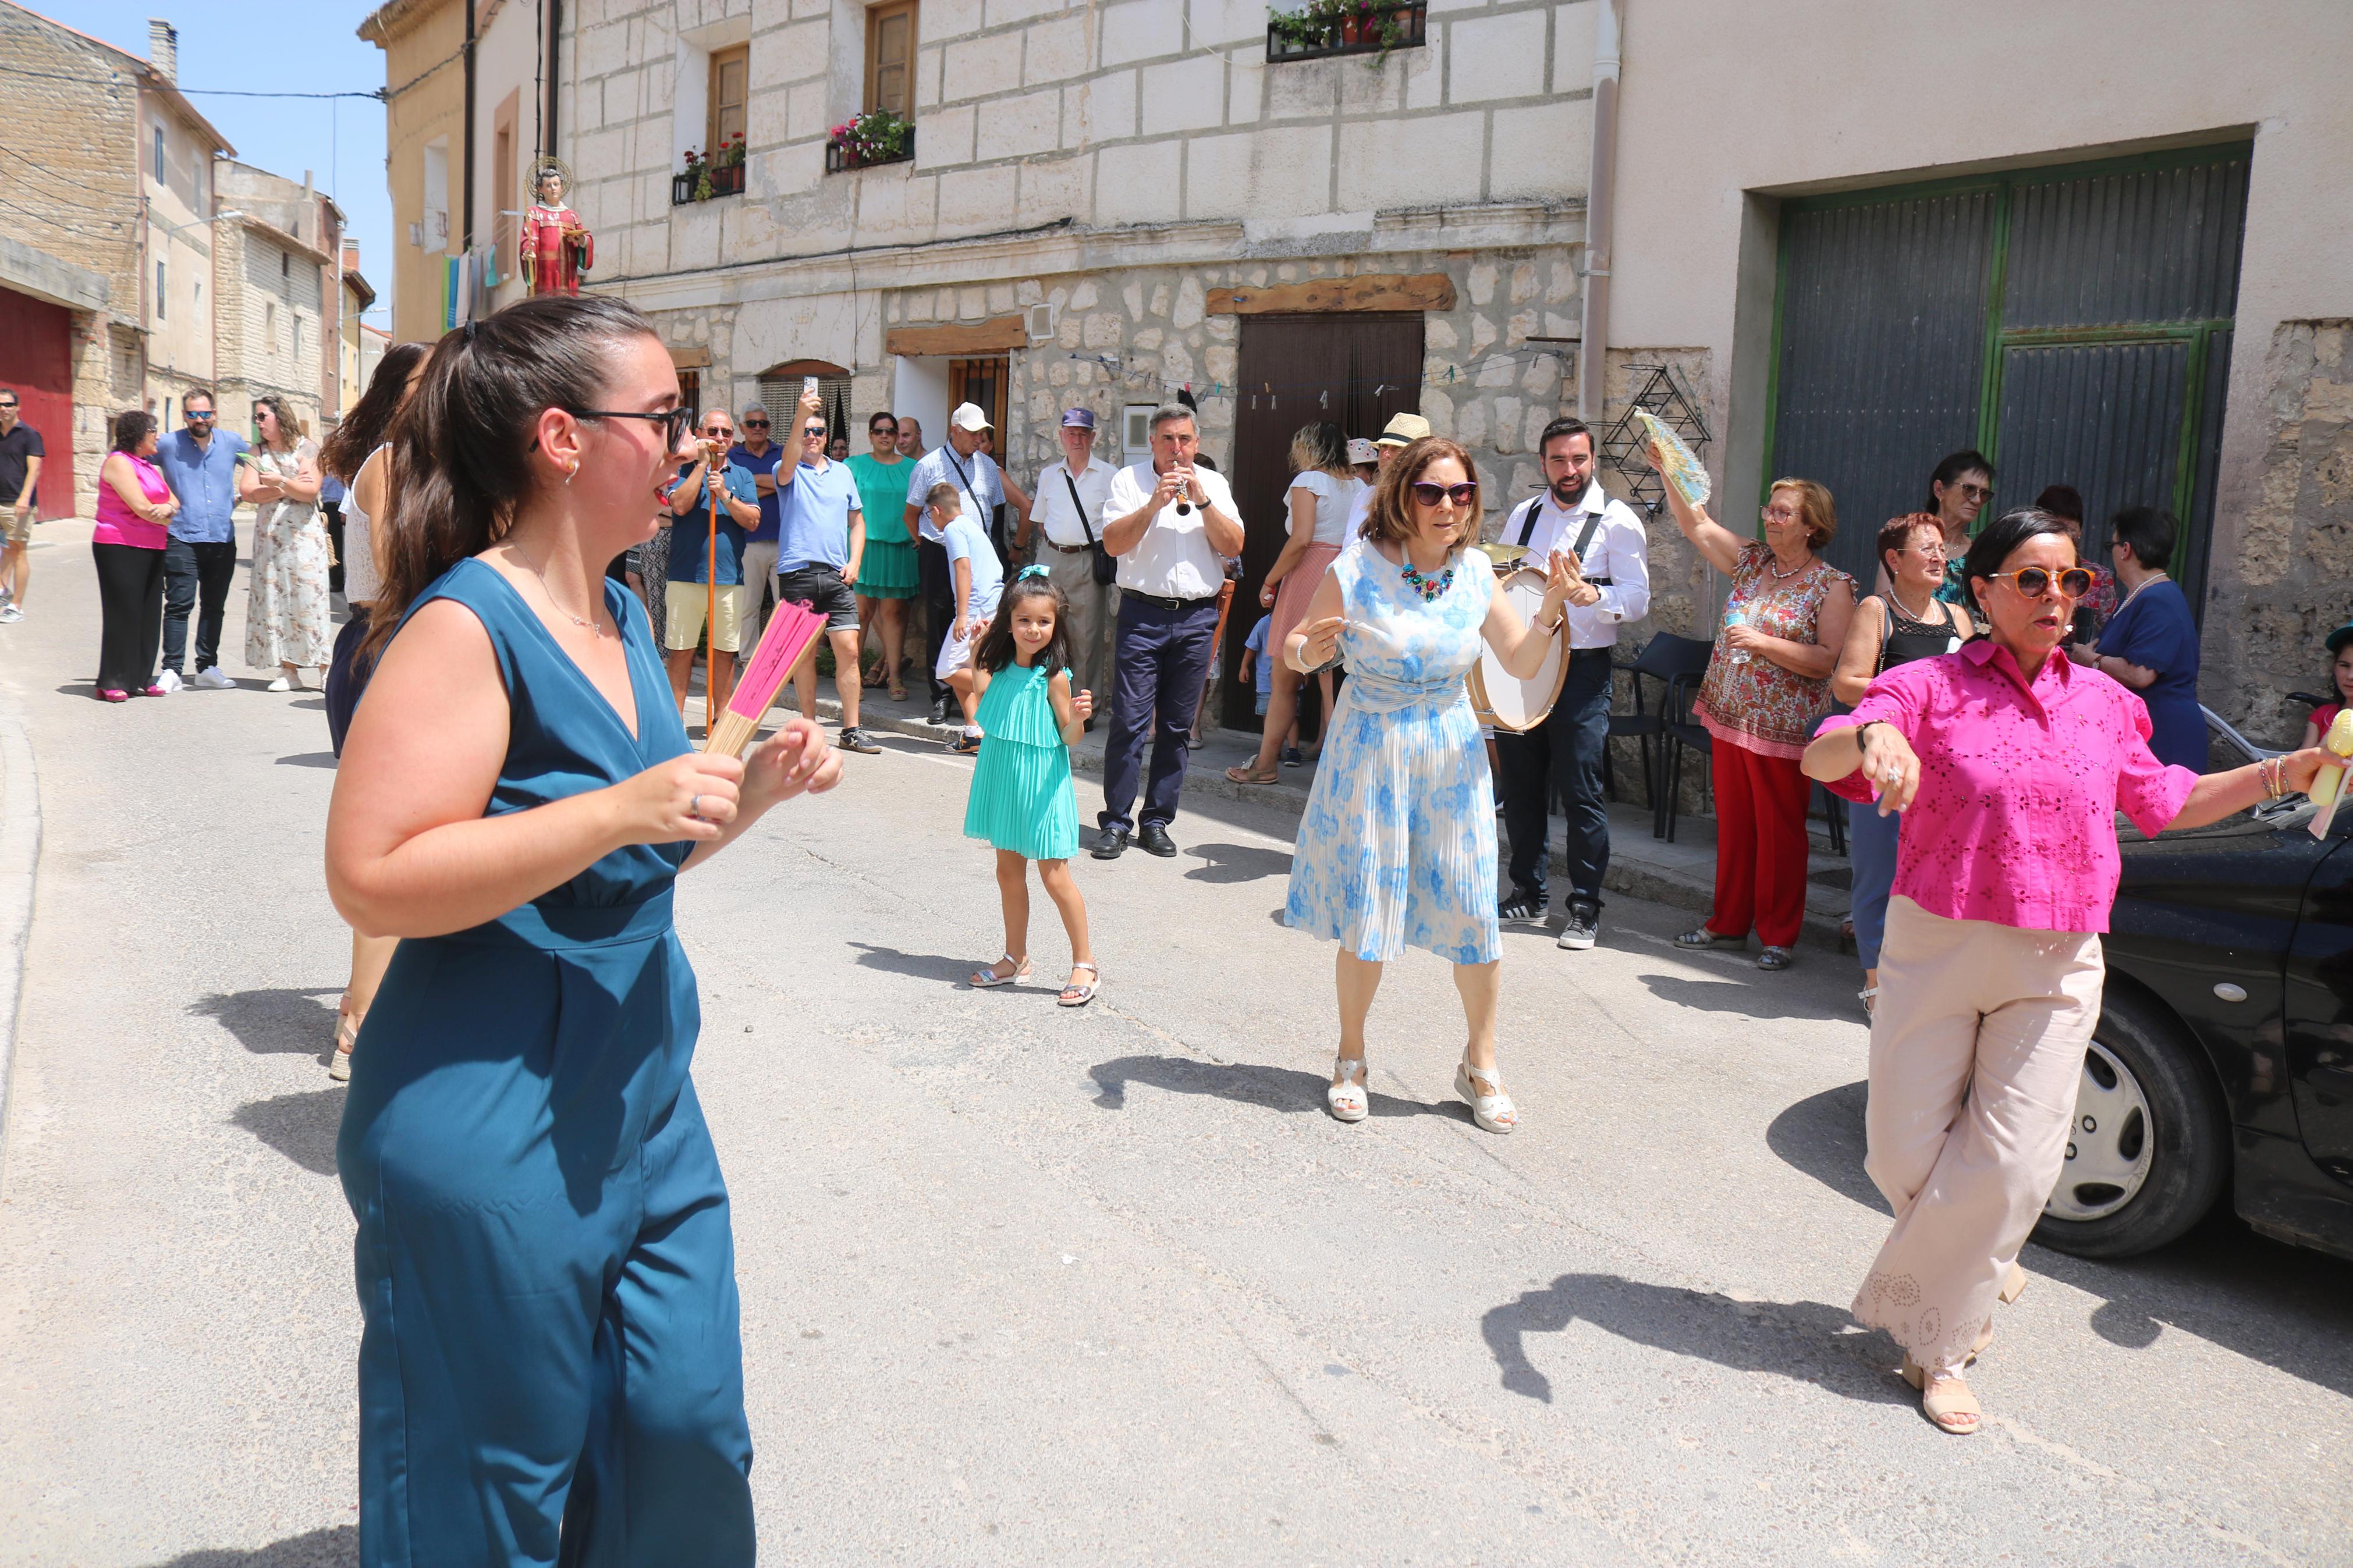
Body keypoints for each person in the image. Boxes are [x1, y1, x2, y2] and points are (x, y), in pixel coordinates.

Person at [326, 293, 841, 1561]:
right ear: (563, 439)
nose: (690, 444)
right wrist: (619, 809)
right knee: (490, 1487)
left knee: (685, 1435)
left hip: (639, 1094)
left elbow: (630, 855)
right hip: (491, 1113)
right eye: (664, 418)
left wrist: (746, 794)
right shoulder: (464, 625)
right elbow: (372, 876)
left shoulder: (614, 610)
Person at [1798, 506, 2327, 1435]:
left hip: (2056, 955)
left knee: (2009, 1165)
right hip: (1936, 938)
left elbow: (2167, 799)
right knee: (1896, 1151)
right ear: (1983, 590)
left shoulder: (2106, 704)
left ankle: (1941, 1347)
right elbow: (1824, 750)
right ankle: (1978, 1260)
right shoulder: (1923, 684)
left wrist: (2284, 771)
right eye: (2033, 579)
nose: (2057, 597)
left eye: (2072, 581)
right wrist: (1868, 738)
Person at [1284, 437, 1584, 1133]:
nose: (1448, 506)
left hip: (1450, 755)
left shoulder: (1478, 571)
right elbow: (1295, 645)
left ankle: (1479, 1062)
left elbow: (1517, 658)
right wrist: (1312, 649)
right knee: (1368, 910)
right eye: (1430, 493)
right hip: (1371, 751)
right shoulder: (1357, 568)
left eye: (1461, 493)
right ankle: (1350, 1058)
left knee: (1474, 913)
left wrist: (1550, 610)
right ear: (1401, 498)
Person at [1654, 458, 1856, 970]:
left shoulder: (1830, 585)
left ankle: (1778, 934)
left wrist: (1763, 643)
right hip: (1731, 716)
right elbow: (1695, 524)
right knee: (1737, 826)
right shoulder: (1752, 562)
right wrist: (1667, 471)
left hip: (1782, 729)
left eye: (1784, 512)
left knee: (1779, 832)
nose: (1771, 517)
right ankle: (1726, 924)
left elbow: (1829, 659)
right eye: (1770, 507)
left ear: (1812, 525)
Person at [1488, 416, 1652, 952]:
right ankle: (1527, 891)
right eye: (1558, 460)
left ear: (1592, 461)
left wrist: (1592, 598)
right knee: (1519, 784)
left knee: (1581, 790)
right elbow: (1505, 579)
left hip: (1582, 668)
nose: (1568, 469)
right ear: (1543, 463)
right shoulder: (1524, 514)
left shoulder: (1618, 520)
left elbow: (1637, 600)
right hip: (1527, 662)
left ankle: (1584, 905)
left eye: (1578, 459)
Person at [317, 340, 430, 1082]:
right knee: (391, 844)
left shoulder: (405, 462)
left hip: (385, 645)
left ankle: (367, 1008)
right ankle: (360, 1024)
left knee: (407, 840)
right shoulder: (390, 462)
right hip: (382, 644)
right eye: (428, 382)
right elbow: (396, 568)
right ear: (399, 393)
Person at [1827, 514, 1974, 1016]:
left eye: (1941, 549)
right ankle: (1874, 983)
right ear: (1894, 560)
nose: (1939, 557)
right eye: (1926, 548)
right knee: (1879, 873)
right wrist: (1908, 700)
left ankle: (1929, 978)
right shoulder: (1876, 609)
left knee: (1936, 871)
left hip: (1944, 769)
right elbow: (1846, 683)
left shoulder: (1958, 618)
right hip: (1887, 759)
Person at [1090, 404, 1244, 861]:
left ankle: (1156, 820)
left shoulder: (1214, 484)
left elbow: (1234, 546)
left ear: (1196, 443)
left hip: (1197, 617)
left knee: (1176, 727)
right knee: (1130, 722)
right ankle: (1116, 821)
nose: (1176, 448)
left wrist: (1204, 502)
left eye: (1184, 439)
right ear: (1152, 443)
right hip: (1143, 613)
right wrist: (1154, 503)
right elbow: (1114, 544)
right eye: (1167, 439)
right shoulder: (1127, 482)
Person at [960, 568, 1099, 1006]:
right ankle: (1014, 957)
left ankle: (1086, 963)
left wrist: (1078, 718)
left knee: (1054, 876)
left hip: (1041, 785)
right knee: (1007, 872)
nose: (1033, 629)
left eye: (1043, 621)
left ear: (1055, 625)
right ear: (1009, 620)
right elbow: (983, 702)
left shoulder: (1054, 676)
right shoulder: (998, 666)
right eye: (1023, 620)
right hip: (1003, 778)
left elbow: (1069, 738)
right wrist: (975, 648)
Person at [1227, 422, 1362, 786]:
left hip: (1310, 573)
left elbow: (1302, 539)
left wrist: (1270, 579)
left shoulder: (1309, 482)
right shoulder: (1360, 486)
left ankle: (1266, 764)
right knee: (1344, 673)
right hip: (1347, 574)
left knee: (1285, 676)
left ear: (1307, 448)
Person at [904, 403, 1030, 721]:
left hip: (979, 552)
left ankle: (975, 697)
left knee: (980, 628)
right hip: (939, 550)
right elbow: (911, 513)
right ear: (955, 431)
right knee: (940, 620)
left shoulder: (988, 465)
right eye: (973, 433)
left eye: (982, 433)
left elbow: (997, 510)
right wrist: (924, 544)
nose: (978, 439)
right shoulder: (929, 465)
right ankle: (942, 695)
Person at [770, 392, 878, 753]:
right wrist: (801, 415)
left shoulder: (843, 472)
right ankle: (809, 726)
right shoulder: (787, 469)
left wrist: (856, 561)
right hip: (798, 573)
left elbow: (858, 522)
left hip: (837, 575)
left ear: (826, 438)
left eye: (818, 432)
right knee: (804, 653)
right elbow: (786, 466)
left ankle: (851, 729)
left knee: (848, 648)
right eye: (806, 431)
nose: (811, 437)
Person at [2081, 506, 2204, 772]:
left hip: (2163, 737)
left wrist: (2092, 661)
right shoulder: (2138, 595)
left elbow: (2141, 675)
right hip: (2142, 732)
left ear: (2126, 550)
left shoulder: (2159, 599)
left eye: (2110, 545)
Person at [662, 408, 760, 722]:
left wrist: (726, 496)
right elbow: (678, 505)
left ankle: (721, 722)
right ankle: (673, 726)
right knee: (681, 652)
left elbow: (754, 520)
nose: (720, 438)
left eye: (726, 433)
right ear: (699, 435)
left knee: (724, 653)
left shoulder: (742, 475)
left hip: (728, 578)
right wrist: (702, 465)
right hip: (685, 575)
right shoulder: (681, 470)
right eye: (713, 431)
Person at [1025, 407, 1119, 716]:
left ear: (1093, 437)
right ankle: (1040, 700)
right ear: (1061, 436)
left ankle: (1084, 709)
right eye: (1071, 433)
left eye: (1083, 433)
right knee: (1039, 628)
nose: (1077, 439)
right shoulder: (1049, 475)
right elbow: (1040, 521)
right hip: (1051, 556)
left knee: (1086, 636)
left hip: (1087, 560)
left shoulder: (1109, 476)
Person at [154, 389, 249, 689]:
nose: (199, 419)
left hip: (221, 537)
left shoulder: (232, 442)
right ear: (184, 416)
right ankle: (172, 670)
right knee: (179, 605)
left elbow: (261, 467)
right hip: (181, 535)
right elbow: (135, 459)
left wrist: (239, 497)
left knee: (214, 606)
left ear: (214, 414)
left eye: (205, 413)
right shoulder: (169, 444)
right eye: (193, 414)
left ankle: (207, 667)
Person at [242, 396, 332, 692]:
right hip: (269, 538)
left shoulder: (308, 448)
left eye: (263, 416)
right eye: (256, 417)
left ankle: (324, 667)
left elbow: (310, 491)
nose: (258, 422)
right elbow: (247, 492)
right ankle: (288, 670)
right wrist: (287, 486)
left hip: (303, 535)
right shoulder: (257, 451)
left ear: (280, 417)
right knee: (275, 599)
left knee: (309, 598)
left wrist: (278, 483)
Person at [90, 410, 175, 701]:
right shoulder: (118, 463)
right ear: (139, 434)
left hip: (153, 545)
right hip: (119, 545)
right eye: (154, 430)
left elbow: (172, 499)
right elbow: (141, 506)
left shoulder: (149, 465)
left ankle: (140, 677)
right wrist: (167, 513)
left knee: (149, 613)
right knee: (123, 612)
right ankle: (112, 679)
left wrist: (168, 510)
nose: (158, 436)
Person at [845, 411, 918, 701]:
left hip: (900, 547)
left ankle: (895, 677)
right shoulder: (853, 466)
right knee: (861, 614)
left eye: (890, 431)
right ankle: (853, 680)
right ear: (870, 435)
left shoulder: (914, 467)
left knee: (893, 615)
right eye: (879, 431)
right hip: (866, 547)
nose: (885, 436)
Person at [929, 482, 1006, 752]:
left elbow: (963, 568)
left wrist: (962, 615)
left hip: (976, 609)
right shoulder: (971, 525)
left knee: (947, 670)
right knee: (966, 666)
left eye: (930, 514)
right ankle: (974, 733)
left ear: (937, 510)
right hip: (992, 605)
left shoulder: (953, 529)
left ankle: (1004, 690)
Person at [1874, 451, 1993, 606]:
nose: (1977, 500)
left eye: (1984, 494)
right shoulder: (1903, 544)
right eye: (1969, 489)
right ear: (1939, 489)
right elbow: (1883, 610)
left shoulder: (1980, 557)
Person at [727, 401, 785, 652]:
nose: (758, 428)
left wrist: (749, 489)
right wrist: (774, 484)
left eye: (763, 423)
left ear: (769, 427)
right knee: (748, 605)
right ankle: (748, 658)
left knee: (785, 606)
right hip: (747, 542)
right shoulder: (732, 457)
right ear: (742, 428)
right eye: (752, 424)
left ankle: (782, 659)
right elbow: (731, 493)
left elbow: (789, 482)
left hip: (784, 542)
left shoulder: (783, 454)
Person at [2032, 484, 2117, 637]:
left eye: (2070, 530)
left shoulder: (2099, 577)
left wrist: (2086, 617)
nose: (2063, 537)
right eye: (2054, 529)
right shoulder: (2023, 571)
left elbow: (2112, 635)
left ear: (2081, 531)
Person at [0, 385, 45, 624]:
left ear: (17, 407)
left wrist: (24, 499)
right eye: (0, 405)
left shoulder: (29, 435)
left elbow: (34, 470)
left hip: (18, 505)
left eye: (8, 404)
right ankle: (2, 591)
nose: (4, 409)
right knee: (5, 549)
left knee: (18, 551)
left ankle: (16, 606)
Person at [1238, 611, 1291, 750]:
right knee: (1266, 714)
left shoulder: (1294, 622)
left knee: (1291, 715)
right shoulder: (1263, 624)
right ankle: (1271, 750)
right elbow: (1252, 647)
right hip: (1266, 680)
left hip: (1290, 680)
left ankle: (1293, 749)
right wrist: (1244, 667)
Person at [2299, 623, 2353, 747]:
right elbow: (2301, 764)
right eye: (2344, 665)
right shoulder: (2322, 716)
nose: (2351, 676)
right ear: (2334, 666)